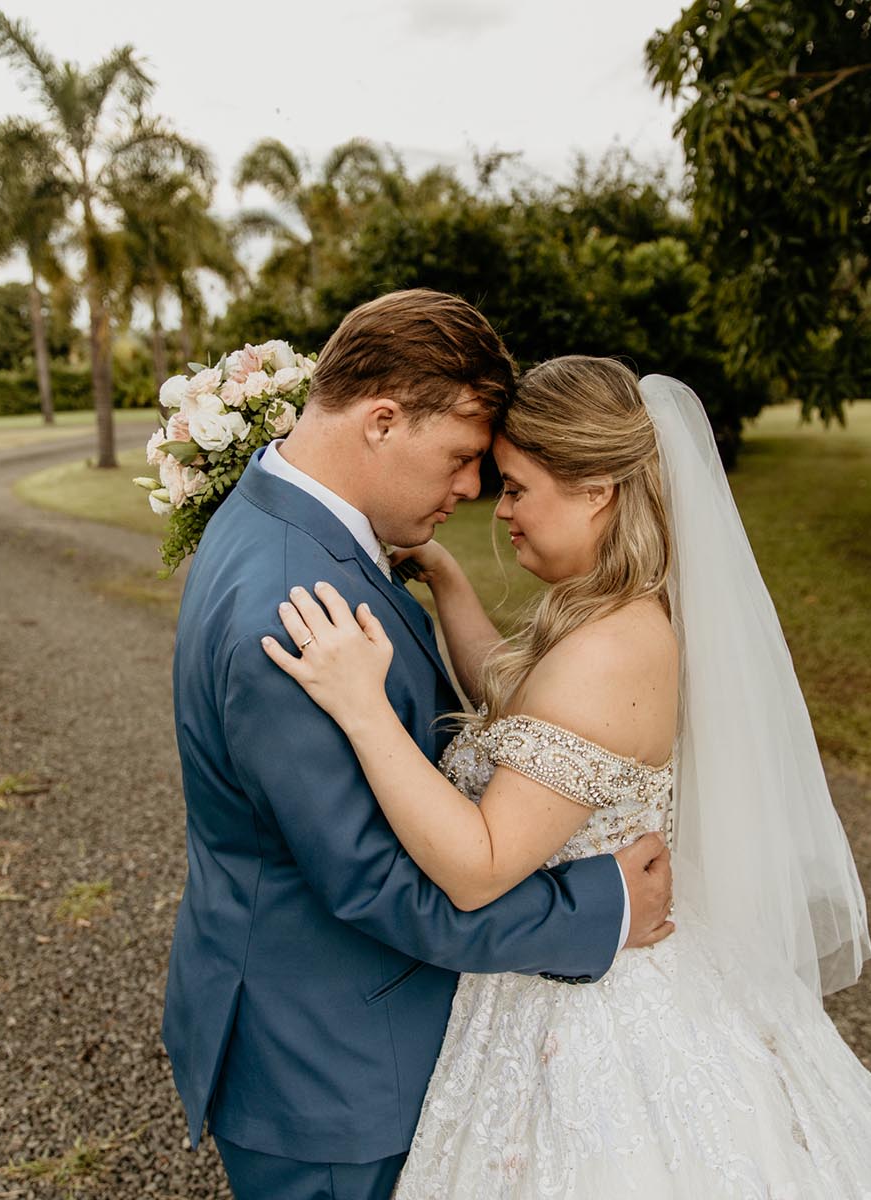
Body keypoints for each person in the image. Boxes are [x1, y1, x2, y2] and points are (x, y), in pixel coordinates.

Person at [264, 356, 871, 1198]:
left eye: (519, 487)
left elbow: (478, 864)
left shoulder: (608, 653)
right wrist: (448, 580)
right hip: (573, 960)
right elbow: (526, 709)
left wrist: (363, 709)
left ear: (597, 489)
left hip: (591, 1007)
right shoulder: (617, 610)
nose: (503, 511)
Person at [162, 295, 676, 1200]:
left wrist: (439, 586)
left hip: (338, 1031)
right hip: (330, 1070)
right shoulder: (295, 615)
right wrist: (601, 908)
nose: (475, 492)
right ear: (382, 422)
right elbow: (375, 883)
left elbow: (501, 716)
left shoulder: (295, 531)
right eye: (465, 460)